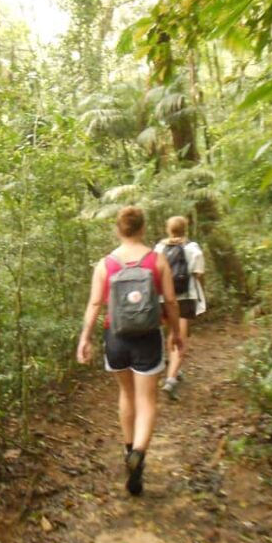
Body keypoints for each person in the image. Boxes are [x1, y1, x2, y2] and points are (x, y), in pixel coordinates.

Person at [76, 206, 183, 496]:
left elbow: (95, 304)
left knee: (127, 394)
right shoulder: (157, 260)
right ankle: (139, 453)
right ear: (143, 228)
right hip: (148, 336)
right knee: (147, 399)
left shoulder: (105, 264)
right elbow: (171, 302)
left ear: (118, 229)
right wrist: (175, 332)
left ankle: (127, 450)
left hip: (116, 337)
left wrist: (84, 339)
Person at [154, 216, 206, 400]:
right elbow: (198, 275)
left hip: (162, 298)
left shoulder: (159, 248)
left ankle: (174, 369)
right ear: (186, 229)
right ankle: (171, 378)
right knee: (180, 337)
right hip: (184, 298)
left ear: (168, 229)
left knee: (171, 333)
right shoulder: (193, 249)